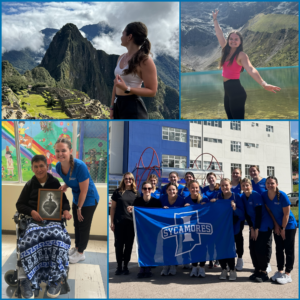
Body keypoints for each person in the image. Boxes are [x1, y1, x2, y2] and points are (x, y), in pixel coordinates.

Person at [16, 155, 72, 299]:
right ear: (32, 168)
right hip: (34, 221)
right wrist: (32, 211)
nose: (39, 169)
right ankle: (26, 279)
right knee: (29, 239)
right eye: (36, 166)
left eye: (42, 166)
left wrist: (66, 210)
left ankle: (56, 279)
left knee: (58, 237)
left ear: (47, 167)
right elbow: (20, 204)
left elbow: (64, 201)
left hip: (53, 220)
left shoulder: (54, 182)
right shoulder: (29, 184)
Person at [212, 9, 281, 119]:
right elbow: (219, 33)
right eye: (231, 39)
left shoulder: (241, 55)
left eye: (236, 39)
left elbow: (251, 69)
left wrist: (264, 84)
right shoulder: (225, 50)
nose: (233, 41)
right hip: (227, 92)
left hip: (237, 92)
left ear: (240, 42)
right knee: (230, 119)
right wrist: (215, 19)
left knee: (238, 121)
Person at [55, 138, 99, 264]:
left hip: (89, 199)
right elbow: (71, 179)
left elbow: (84, 191)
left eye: (63, 150)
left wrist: (80, 208)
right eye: (57, 151)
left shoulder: (80, 166)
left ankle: (81, 253)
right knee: (77, 225)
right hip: (77, 198)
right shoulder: (58, 167)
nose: (60, 153)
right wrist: (66, 185)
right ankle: (77, 248)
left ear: (70, 151)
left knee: (83, 226)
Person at [111, 22, 158, 119]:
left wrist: (127, 89)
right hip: (118, 104)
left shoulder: (145, 61)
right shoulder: (121, 57)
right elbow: (116, 84)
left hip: (133, 108)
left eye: (123, 34)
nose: (121, 37)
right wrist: (112, 107)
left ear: (129, 37)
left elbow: (152, 91)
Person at [262, 177, 297, 285]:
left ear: (276, 184)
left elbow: (286, 214)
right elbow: (270, 212)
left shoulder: (282, 195)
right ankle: (280, 271)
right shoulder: (264, 195)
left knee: (288, 249)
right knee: (279, 249)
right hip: (277, 225)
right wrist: (276, 226)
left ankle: (287, 274)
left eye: (272, 183)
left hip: (289, 225)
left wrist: (283, 228)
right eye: (268, 183)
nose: (270, 185)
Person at [210, 178, 245, 281]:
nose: (224, 187)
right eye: (222, 186)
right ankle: (224, 269)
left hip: (233, 228)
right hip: (220, 227)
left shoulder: (236, 197)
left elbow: (242, 215)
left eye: (226, 185)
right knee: (220, 248)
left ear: (230, 186)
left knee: (230, 249)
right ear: (220, 187)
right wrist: (212, 204)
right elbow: (212, 211)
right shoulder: (217, 196)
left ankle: (232, 270)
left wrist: (235, 208)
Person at [127, 181, 163, 278]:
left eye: (149, 188)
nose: (147, 190)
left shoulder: (156, 202)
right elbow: (134, 214)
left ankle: (148, 266)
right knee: (141, 247)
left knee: (152, 247)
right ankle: (142, 266)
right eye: (145, 188)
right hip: (141, 229)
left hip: (153, 230)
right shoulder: (137, 201)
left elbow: (160, 215)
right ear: (142, 190)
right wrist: (131, 210)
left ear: (152, 190)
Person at [240, 178, 273, 282]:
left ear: (251, 186)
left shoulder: (256, 196)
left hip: (263, 224)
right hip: (253, 225)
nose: (245, 187)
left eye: (247, 185)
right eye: (243, 185)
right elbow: (246, 214)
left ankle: (264, 272)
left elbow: (259, 214)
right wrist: (251, 228)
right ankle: (257, 270)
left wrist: (256, 229)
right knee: (252, 248)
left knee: (259, 248)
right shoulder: (242, 196)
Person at [110, 172, 140, 275]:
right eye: (126, 178)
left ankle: (126, 266)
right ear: (123, 180)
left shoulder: (136, 193)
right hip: (119, 223)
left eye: (130, 179)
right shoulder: (118, 192)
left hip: (131, 224)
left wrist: (134, 208)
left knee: (128, 246)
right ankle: (119, 267)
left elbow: (140, 209)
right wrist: (112, 222)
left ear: (133, 180)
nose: (128, 180)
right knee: (119, 245)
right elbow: (113, 208)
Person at [160, 182, 190, 276]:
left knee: (175, 245)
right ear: (166, 191)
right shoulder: (162, 199)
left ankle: (173, 265)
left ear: (177, 190)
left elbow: (186, 212)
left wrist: (187, 206)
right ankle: (166, 265)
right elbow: (154, 209)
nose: (171, 191)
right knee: (165, 245)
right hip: (165, 226)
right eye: (169, 189)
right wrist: (161, 208)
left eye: (173, 189)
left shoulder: (181, 200)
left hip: (177, 227)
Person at [184, 180, 209, 277]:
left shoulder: (204, 198)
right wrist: (184, 207)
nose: (194, 189)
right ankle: (194, 266)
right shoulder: (186, 199)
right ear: (189, 189)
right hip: (190, 227)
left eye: (196, 187)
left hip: (201, 226)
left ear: (199, 188)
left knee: (203, 246)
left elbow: (210, 210)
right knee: (193, 246)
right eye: (192, 188)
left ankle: (202, 267)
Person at [249, 165, 272, 273]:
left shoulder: (265, 182)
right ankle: (259, 266)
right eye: (251, 171)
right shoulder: (250, 184)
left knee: (267, 243)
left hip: (267, 215)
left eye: (254, 171)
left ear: (258, 171)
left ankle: (267, 264)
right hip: (255, 216)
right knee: (256, 244)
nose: (253, 173)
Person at [202, 172, 221, 268]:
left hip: (217, 217)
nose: (211, 179)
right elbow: (201, 199)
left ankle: (217, 259)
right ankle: (210, 260)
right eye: (209, 178)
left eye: (212, 178)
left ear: (215, 178)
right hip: (207, 217)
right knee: (208, 239)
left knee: (216, 239)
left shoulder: (220, 189)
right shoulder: (204, 189)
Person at [231, 168, 244, 271]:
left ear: (240, 174)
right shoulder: (227, 185)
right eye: (234, 173)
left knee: (238, 237)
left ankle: (239, 258)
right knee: (228, 238)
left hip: (239, 216)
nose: (235, 174)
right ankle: (228, 258)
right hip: (227, 217)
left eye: (237, 173)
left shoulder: (242, 186)